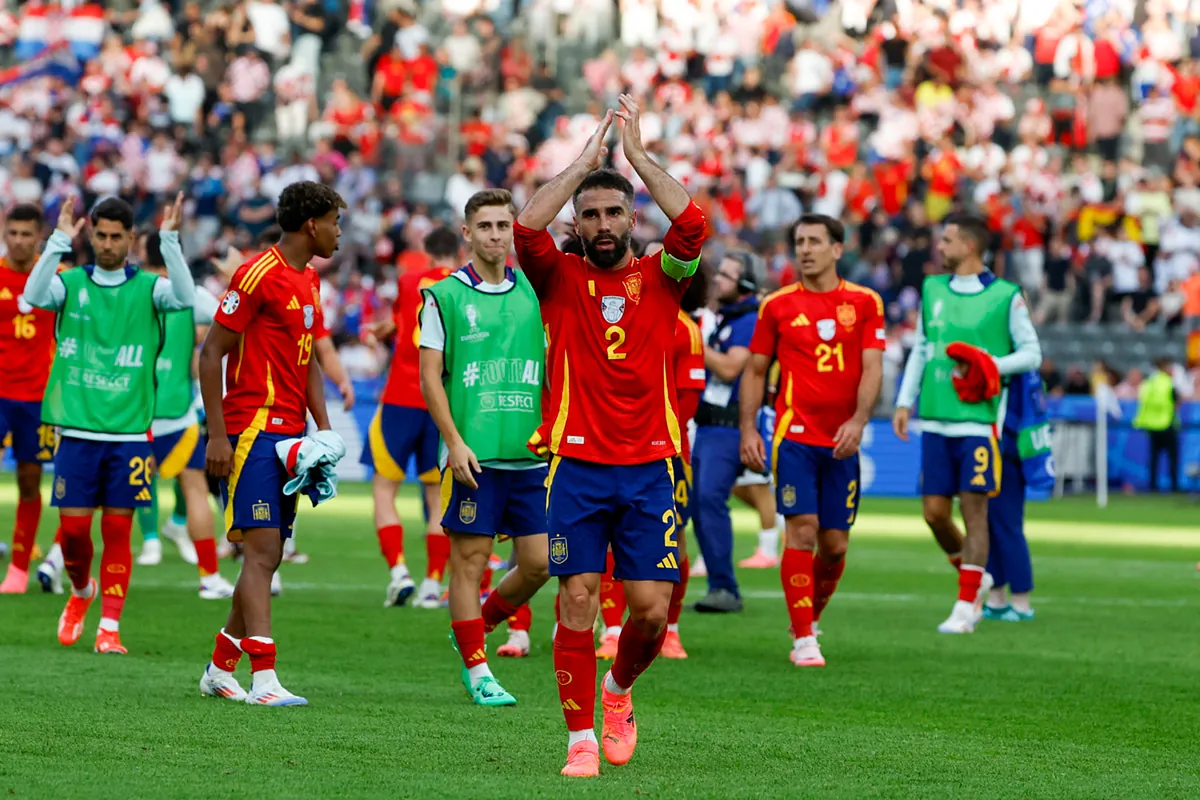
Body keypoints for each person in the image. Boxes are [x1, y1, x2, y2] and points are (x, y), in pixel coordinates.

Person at [512, 94, 706, 778]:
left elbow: (693, 223)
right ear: (579, 222)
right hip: (577, 468)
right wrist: (584, 162)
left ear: (631, 219)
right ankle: (579, 740)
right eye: (589, 214)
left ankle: (618, 691)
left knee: (651, 613)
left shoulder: (663, 278)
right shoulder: (558, 279)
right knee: (578, 596)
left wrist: (639, 158)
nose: (600, 223)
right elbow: (526, 229)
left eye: (613, 212)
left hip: (651, 466)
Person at [197, 181, 347, 706]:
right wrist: (217, 435)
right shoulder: (257, 273)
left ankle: (220, 667)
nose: (338, 232)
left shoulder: (308, 281)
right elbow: (211, 352)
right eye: (334, 222)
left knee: (271, 553)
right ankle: (264, 679)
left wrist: (322, 429)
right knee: (261, 552)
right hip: (250, 431)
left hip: (288, 436)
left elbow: (306, 363)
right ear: (312, 224)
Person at [26, 193, 195, 654]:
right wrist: (59, 239)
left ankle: (110, 628)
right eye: (99, 235)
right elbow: (33, 295)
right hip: (77, 433)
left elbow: (184, 297)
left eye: (116, 237)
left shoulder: (149, 289)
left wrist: (172, 240)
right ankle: (82, 592)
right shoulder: (71, 283)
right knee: (76, 532)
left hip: (129, 436)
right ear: (91, 234)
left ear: (131, 239)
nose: (106, 244)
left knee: (118, 530)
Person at [418, 188, 551, 707]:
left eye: (504, 225)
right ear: (468, 233)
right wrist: (453, 442)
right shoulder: (445, 296)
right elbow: (431, 378)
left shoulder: (533, 292)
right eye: (487, 226)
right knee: (469, 563)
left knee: (540, 564)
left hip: (530, 454)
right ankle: (477, 669)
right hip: (474, 455)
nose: (496, 234)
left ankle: (479, 623)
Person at [740, 214, 885, 666]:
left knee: (836, 545)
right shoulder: (777, 306)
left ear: (837, 249)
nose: (805, 249)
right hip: (794, 437)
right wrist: (748, 429)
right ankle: (804, 638)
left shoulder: (865, 302)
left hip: (843, 439)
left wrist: (859, 421)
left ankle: (809, 616)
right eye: (799, 241)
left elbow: (872, 367)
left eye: (815, 241)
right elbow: (756, 370)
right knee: (801, 532)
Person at [892, 213, 1041, 634]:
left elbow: (1032, 353)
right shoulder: (932, 288)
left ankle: (965, 606)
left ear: (970, 246)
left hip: (978, 422)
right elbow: (922, 346)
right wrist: (906, 400)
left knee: (976, 514)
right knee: (935, 514)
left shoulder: (1006, 296)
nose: (939, 247)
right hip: (935, 418)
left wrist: (990, 365)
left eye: (948, 240)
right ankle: (977, 578)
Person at [595, 264, 709, 660]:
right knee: (608, 540)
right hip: (607, 451)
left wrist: (650, 437)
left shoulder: (685, 328)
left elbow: (689, 400)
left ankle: (672, 629)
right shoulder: (612, 315)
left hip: (667, 455)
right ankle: (610, 630)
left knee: (673, 541)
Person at [362, 227, 457, 608]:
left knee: (385, 488)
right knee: (437, 497)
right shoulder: (466, 286)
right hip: (442, 404)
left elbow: (407, 325)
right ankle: (432, 584)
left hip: (401, 394)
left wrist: (383, 331)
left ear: (426, 251)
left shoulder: (408, 282)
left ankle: (399, 571)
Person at [141, 231, 236, 600]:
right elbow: (231, 318)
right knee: (195, 488)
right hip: (179, 409)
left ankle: (59, 563)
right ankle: (209, 578)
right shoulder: (191, 295)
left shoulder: (132, 288)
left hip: (130, 411)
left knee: (105, 492)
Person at [692, 251, 760, 613]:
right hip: (710, 426)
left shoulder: (748, 320)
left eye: (728, 275)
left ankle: (725, 587)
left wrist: (693, 343)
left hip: (729, 426)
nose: (718, 280)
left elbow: (732, 367)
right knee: (699, 505)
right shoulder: (728, 319)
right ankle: (720, 584)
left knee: (708, 499)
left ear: (745, 284)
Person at [0, 205, 61, 594]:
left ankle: (19, 570)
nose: (19, 240)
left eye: (26, 234)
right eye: (13, 233)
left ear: (38, 236)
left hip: (37, 399)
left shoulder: (54, 280)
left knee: (29, 481)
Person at [1133, 358, 1179, 493]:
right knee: (1172, 457)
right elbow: (1175, 400)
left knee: (1154, 457)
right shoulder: (1167, 382)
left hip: (1151, 425)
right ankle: (1174, 486)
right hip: (1166, 423)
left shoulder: (1148, 383)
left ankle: (1153, 486)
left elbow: (1142, 402)